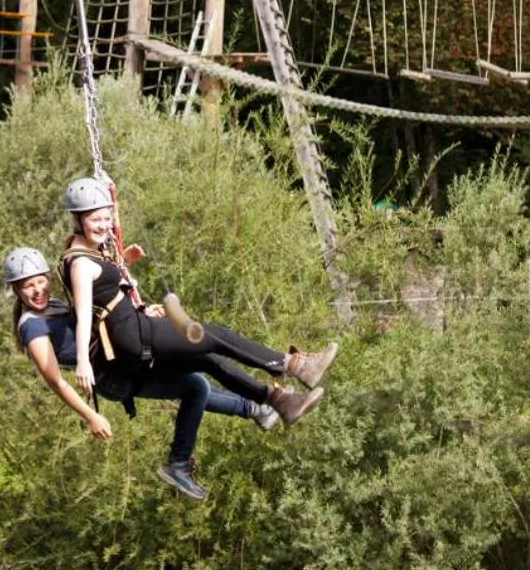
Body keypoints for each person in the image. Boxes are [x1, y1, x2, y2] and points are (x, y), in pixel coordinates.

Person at [58, 177, 336, 500]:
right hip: (132, 337)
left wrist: (112, 201)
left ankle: (278, 401)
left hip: (135, 329)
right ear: (78, 220)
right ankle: (293, 365)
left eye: (105, 218)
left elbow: (112, 257)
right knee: (213, 336)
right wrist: (81, 362)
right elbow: (82, 314)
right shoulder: (78, 263)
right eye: (95, 219)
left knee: (208, 360)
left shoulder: (93, 250)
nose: (103, 225)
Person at [7, 247, 282, 450]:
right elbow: (56, 382)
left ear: (48, 279)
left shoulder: (54, 306)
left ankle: (259, 407)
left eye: (39, 282)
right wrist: (91, 416)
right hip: (115, 378)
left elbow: (99, 315)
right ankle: (251, 411)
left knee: (200, 364)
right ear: (16, 291)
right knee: (195, 385)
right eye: (27, 287)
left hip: (119, 357)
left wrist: (140, 316)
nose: (36, 291)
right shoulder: (32, 327)